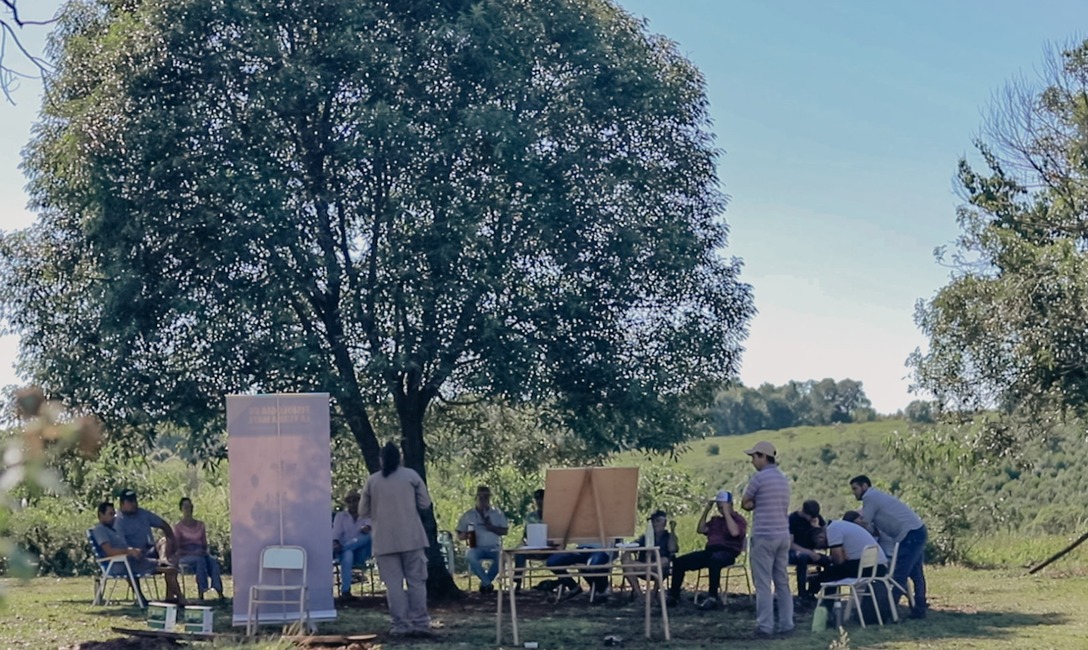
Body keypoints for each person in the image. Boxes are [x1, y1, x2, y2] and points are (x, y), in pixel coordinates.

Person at [361, 441, 433, 637]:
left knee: (393, 585)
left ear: (381, 460)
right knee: (416, 582)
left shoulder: (372, 481)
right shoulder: (411, 476)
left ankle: (400, 625)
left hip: (384, 540)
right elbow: (425, 503)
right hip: (412, 537)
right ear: (400, 458)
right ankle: (420, 623)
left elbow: (362, 511)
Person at [850, 475, 928, 619]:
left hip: (910, 534)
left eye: (855, 488)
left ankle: (887, 613)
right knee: (916, 574)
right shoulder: (876, 496)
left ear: (864, 486)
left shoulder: (870, 497)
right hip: (916, 531)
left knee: (899, 574)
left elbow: (865, 521)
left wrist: (849, 525)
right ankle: (919, 608)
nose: (854, 492)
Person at [742, 441, 794, 637]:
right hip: (782, 535)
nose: (752, 461)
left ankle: (765, 626)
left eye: (754, 457)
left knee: (763, 583)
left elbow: (745, 502)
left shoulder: (759, 478)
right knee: (782, 582)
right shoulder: (783, 479)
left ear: (763, 456)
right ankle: (787, 624)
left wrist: (754, 504)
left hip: (764, 536)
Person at [92, 501, 185, 605]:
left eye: (114, 513)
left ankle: (171, 594)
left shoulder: (112, 529)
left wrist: (133, 550)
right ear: (101, 515)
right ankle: (180, 599)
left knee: (169, 566)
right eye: (110, 514)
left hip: (130, 561)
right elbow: (109, 552)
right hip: (120, 564)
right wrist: (129, 551)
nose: (114, 517)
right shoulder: (100, 530)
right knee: (170, 569)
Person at [666, 491, 746, 609]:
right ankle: (674, 596)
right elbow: (700, 529)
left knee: (715, 561)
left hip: (728, 552)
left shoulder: (738, 520)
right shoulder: (715, 521)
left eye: (723, 506)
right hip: (710, 551)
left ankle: (712, 597)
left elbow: (735, 533)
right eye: (719, 506)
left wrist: (727, 514)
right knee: (679, 562)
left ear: (730, 504)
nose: (720, 509)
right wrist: (707, 510)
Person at [456, 485, 509, 594]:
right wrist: (467, 535)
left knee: (502, 557)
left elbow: (505, 531)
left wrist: (492, 527)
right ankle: (487, 583)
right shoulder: (469, 515)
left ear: (490, 498)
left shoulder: (497, 513)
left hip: (493, 547)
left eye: (486, 497)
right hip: (476, 547)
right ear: (476, 497)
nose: (483, 500)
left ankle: (485, 583)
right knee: (470, 556)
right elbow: (459, 535)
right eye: (481, 497)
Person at [811, 519, 888, 587]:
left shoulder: (832, 530)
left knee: (828, 573)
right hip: (878, 565)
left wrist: (830, 559)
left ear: (821, 537)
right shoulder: (840, 525)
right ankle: (828, 601)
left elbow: (839, 561)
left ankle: (809, 597)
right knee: (834, 572)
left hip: (869, 567)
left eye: (821, 546)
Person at [174, 497, 224, 601]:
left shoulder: (200, 525)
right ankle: (202, 591)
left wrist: (204, 552)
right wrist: (193, 552)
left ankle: (218, 590)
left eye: (190, 506)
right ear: (181, 509)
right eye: (185, 507)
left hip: (201, 553)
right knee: (200, 561)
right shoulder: (178, 527)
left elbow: (204, 544)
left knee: (213, 561)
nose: (188, 509)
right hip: (185, 555)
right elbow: (177, 548)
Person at [623, 509, 679, 598]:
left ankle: (654, 593)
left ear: (664, 523)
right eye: (653, 521)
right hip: (643, 565)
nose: (655, 524)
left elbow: (673, 549)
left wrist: (672, 530)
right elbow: (633, 546)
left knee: (663, 561)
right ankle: (639, 593)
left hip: (659, 567)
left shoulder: (668, 537)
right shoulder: (645, 537)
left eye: (658, 521)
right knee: (625, 557)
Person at [332, 488, 373, 601]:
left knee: (369, 536)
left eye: (356, 500)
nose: (353, 503)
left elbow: (369, 527)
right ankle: (346, 591)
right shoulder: (341, 516)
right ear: (347, 502)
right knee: (348, 554)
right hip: (346, 555)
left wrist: (366, 528)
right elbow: (336, 534)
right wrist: (336, 544)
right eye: (350, 500)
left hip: (362, 553)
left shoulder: (366, 515)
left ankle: (345, 548)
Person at [115, 489, 176, 563]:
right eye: (130, 501)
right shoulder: (118, 520)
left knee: (165, 543)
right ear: (122, 504)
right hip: (134, 556)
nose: (134, 504)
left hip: (150, 550)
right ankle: (162, 563)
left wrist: (172, 543)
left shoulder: (143, 513)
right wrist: (133, 551)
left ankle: (164, 561)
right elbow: (121, 545)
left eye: (135, 500)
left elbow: (164, 525)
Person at [789, 500, 831, 601]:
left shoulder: (817, 518)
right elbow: (789, 544)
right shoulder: (792, 519)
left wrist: (817, 528)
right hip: (794, 552)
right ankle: (802, 594)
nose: (811, 519)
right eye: (810, 516)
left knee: (829, 562)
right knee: (802, 558)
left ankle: (814, 590)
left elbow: (827, 536)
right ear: (804, 511)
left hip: (811, 553)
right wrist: (808, 552)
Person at [513, 489, 546, 593]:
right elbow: (525, 535)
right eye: (537, 499)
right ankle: (517, 582)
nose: (540, 501)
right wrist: (525, 542)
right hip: (534, 548)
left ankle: (563, 581)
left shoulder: (554, 515)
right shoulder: (530, 517)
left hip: (550, 549)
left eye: (542, 498)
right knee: (520, 554)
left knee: (557, 558)